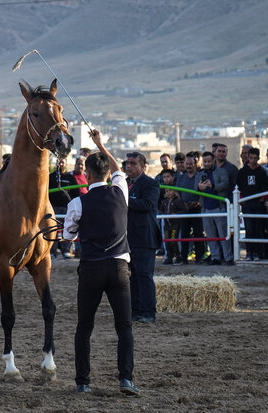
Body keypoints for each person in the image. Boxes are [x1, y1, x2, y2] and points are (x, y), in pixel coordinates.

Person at [62, 129, 139, 395]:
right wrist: (101, 144)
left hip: (92, 269)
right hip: (119, 268)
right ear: (108, 174)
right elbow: (118, 168)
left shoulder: (77, 203)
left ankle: (83, 382)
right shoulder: (121, 192)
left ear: (88, 176)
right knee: (124, 327)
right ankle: (126, 379)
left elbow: (68, 236)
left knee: (84, 327)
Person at [125, 151, 161, 322]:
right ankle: (136, 310)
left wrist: (124, 200)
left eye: (133, 163)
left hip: (144, 237)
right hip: (128, 237)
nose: (129, 166)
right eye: (127, 163)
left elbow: (147, 204)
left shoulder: (151, 184)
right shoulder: (125, 184)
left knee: (144, 275)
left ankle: (148, 312)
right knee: (132, 276)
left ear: (143, 166)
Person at [197, 151, 233, 265]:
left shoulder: (221, 171)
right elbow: (195, 188)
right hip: (205, 208)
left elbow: (225, 184)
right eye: (205, 161)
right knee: (210, 236)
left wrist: (212, 186)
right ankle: (215, 257)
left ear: (213, 161)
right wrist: (199, 187)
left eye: (209, 161)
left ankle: (228, 258)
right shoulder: (199, 174)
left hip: (219, 207)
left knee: (223, 235)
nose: (207, 164)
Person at [236, 148, 268, 261]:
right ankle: (249, 252)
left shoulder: (262, 172)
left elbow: (267, 187)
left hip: (259, 206)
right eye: (251, 158)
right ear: (248, 158)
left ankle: (258, 253)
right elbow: (237, 187)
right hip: (247, 205)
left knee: (258, 229)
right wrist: (241, 200)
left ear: (258, 158)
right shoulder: (242, 172)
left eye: (255, 158)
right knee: (249, 229)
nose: (253, 160)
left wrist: (263, 199)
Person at [175, 154, 205, 264]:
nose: (188, 166)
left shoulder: (200, 176)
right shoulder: (181, 177)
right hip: (184, 209)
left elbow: (202, 191)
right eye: (186, 164)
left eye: (190, 164)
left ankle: (199, 257)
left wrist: (197, 202)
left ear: (195, 164)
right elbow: (177, 192)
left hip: (197, 208)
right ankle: (184, 258)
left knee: (198, 233)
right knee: (184, 234)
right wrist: (182, 204)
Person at [48, 157, 79, 259]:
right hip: (54, 208)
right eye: (58, 162)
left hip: (67, 208)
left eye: (62, 162)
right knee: (53, 230)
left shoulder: (70, 177)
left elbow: (76, 193)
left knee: (68, 228)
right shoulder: (51, 177)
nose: (60, 164)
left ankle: (66, 250)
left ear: (66, 164)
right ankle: (52, 252)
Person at [159, 169, 186, 265]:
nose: (169, 192)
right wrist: (162, 214)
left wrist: (177, 214)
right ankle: (169, 258)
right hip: (166, 224)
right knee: (167, 241)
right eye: (167, 191)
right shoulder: (164, 201)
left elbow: (184, 210)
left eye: (170, 190)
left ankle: (178, 257)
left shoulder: (177, 200)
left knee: (175, 241)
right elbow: (161, 209)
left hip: (175, 224)